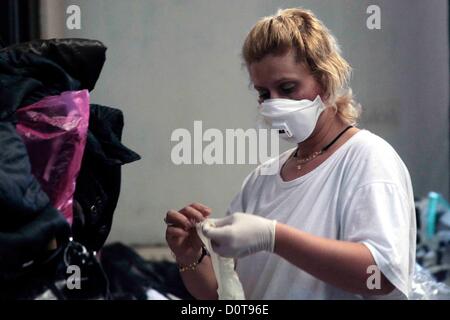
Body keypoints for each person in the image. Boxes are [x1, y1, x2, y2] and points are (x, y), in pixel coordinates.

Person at [164, 7, 416, 300]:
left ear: (324, 80)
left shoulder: (367, 159)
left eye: (287, 87)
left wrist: (274, 237)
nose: (274, 104)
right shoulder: (262, 179)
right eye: (263, 93)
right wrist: (190, 257)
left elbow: (380, 276)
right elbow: (224, 295)